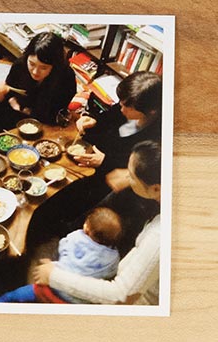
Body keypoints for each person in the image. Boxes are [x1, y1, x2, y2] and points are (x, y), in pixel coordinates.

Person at [26, 71, 162, 242]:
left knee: (76, 195)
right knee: (56, 178)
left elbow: (134, 165)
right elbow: (108, 117)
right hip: (93, 157)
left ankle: (68, 230)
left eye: (127, 107)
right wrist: (92, 120)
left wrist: (104, 161)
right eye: (121, 102)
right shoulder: (127, 105)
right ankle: (48, 218)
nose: (121, 108)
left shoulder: (156, 136)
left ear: (150, 111)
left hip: (113, 178)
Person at [33, 140, 162, 305]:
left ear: (156, 188)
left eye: (130, 174)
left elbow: (120, 295)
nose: (126, 176)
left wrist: (53, 276)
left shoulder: (159, 237)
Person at [0, 207, 122, 303]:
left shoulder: (76, 237)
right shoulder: (114, 259)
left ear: (86, 228)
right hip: (75, 302)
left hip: (50, 289)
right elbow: (109, 274)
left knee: (14, 296)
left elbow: (63, 247)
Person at [0, 32, 76, 132]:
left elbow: (53, 115)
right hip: (16, 106)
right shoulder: (20, 65)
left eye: (44, 68)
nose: (35, 71)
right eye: (32, 64)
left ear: (55, 65)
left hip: (40, 117)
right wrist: (1, 93)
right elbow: (8, 94)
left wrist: (22, 109)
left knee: (0, 129)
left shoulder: (66, 78)